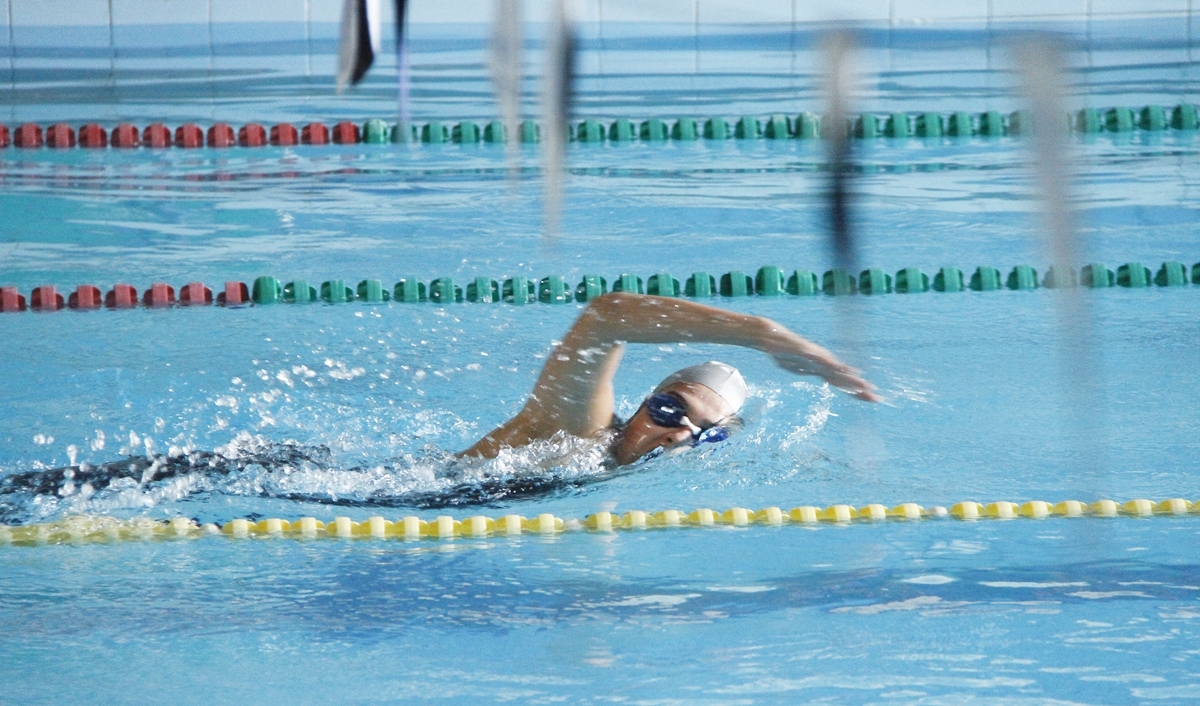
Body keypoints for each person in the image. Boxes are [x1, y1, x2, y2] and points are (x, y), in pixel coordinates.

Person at [462, 292, 880, 466]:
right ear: (644, 403)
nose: (678, 435)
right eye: (669, 410)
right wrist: (762, 334)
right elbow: (604, 318)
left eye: (706, 434)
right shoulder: (577, 432)